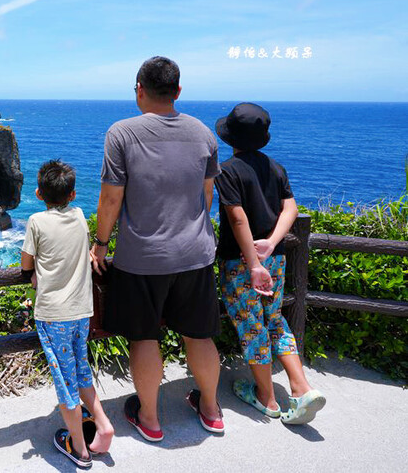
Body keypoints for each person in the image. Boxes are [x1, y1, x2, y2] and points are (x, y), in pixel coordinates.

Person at [91, 56, 224, 442]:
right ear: (178, 91)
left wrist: (100, 245)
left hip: (143, 259)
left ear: (139, 89)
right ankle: (211, 411)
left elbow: (110, 199)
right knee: (199, 335)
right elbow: (207, 195)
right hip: (196, 253)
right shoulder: (203, 133)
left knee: (145, 337)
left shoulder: (122, 133)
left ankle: (149, 419)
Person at [213, 102, 326, 424]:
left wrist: (252, 262)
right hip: (273, 259)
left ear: (230, 137)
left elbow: (237, 218)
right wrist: (272, 244)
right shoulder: (275, 168)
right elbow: (290, 209)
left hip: (243, 263)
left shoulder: (227, 170)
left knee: (252, 326)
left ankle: (266, 398)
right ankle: (301, 387)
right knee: (274, 319)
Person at [21, 160, 114, 468]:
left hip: (53, 314)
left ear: (37, 193)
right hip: (80, 311)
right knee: (81, 369)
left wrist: (32, 273)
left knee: (64, 381)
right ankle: (102, 423)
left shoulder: (35, 221)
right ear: (74, 195)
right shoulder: (78, 217)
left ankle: (79, 448)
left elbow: (25, 264)